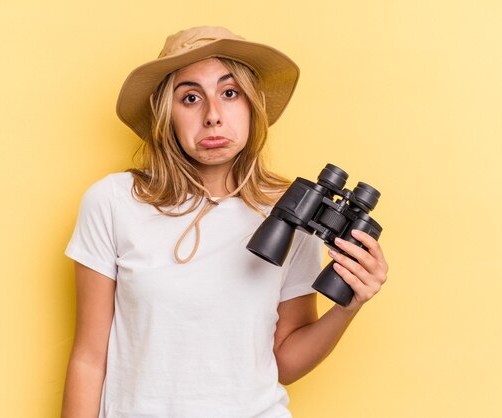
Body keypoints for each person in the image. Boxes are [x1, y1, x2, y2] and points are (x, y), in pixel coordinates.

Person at [61, 26, 389, 418]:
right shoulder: (114, 202)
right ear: (167, 115)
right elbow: (88, 358)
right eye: (190, 98)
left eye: (229, 93)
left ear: (252, 106)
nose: (213, 116)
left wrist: (349, 306)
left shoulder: (291, 211)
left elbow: (285, 361)